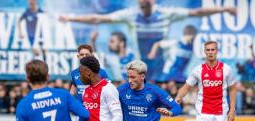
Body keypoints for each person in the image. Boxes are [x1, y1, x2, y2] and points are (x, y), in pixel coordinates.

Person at [60, 0, 236, 80]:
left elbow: (197, 12)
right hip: (140, 66)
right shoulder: (131, 15)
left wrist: (224, 9)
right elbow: (97, 18)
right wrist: (71, 17)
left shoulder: (165, 13)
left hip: (161, 67)